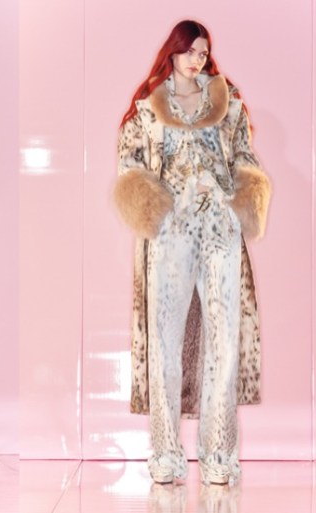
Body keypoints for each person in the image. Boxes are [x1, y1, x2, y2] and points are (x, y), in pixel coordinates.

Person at [113, 19, 271, 485]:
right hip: (171, 230)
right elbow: (128, 163)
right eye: (189, 51)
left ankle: (219, 453)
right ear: (173, 51)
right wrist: (155, 207)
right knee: (164, 342)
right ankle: (164, 453)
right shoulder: (147, 108)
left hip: (219, 227)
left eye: (203, 53)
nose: (196, 60)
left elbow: (245, 157)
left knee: (224, 339)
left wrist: (237, 199)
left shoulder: (228, 103)